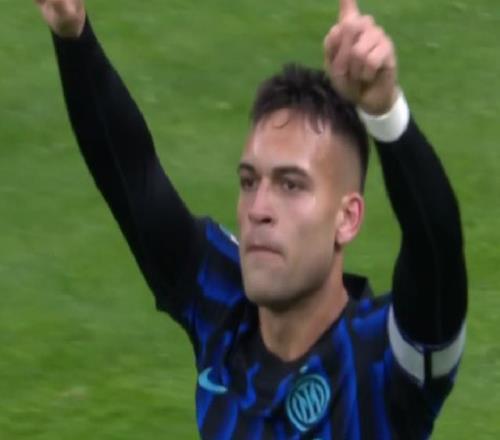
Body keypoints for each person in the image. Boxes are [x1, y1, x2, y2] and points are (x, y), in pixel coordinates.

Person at [35, 0, 467, 438]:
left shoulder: (381, 363)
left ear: (347, 218)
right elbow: (131, 176)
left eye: (291, 185)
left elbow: (437, 245)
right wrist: (74, 35)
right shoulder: (221, 304)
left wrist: (384, 112)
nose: (259, 208)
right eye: (248, 181)